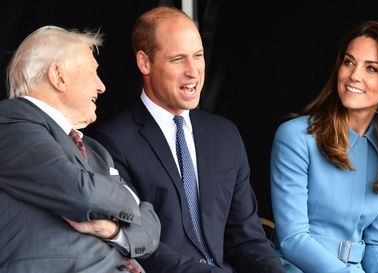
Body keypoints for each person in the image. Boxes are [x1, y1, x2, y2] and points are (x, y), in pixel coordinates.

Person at [90, 6, 284, 273]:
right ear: (144, 62)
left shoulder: (225, 135)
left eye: (198, 56)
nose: (193, 71)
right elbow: (142, 245)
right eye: (178, 59)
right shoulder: (111, 141)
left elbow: (247, 236)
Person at [0, 25, 161, 273]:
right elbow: (81, 193)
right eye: (94, 73)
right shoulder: (10, 123)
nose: (102, 86)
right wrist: (129, 200)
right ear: (59, 76)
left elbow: (151, 228)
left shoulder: (94, 149)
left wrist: (114, 230)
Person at [270, 20, 378, 273]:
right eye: (349, 62)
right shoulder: (295, 137)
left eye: (372, 69)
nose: (354, 75)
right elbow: (293, 239)